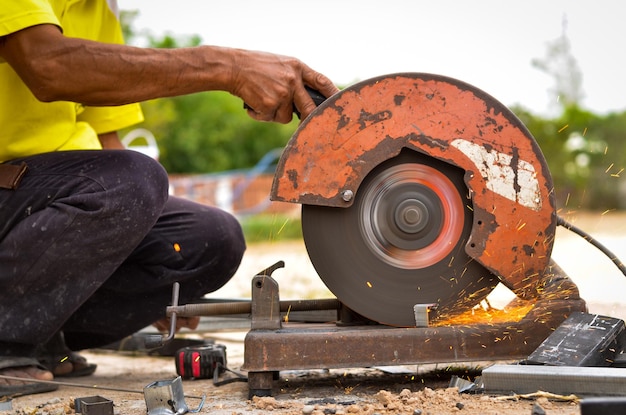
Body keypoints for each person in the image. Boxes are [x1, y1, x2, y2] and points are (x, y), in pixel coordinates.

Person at [0, 0, 339, 398]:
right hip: (12, 189)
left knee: (211, 237)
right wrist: (227, 67)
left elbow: (110, 147)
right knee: (136, 179)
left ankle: (40, 336)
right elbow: (48, 66)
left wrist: (141, 266)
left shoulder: (100, 11)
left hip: (42, 198)